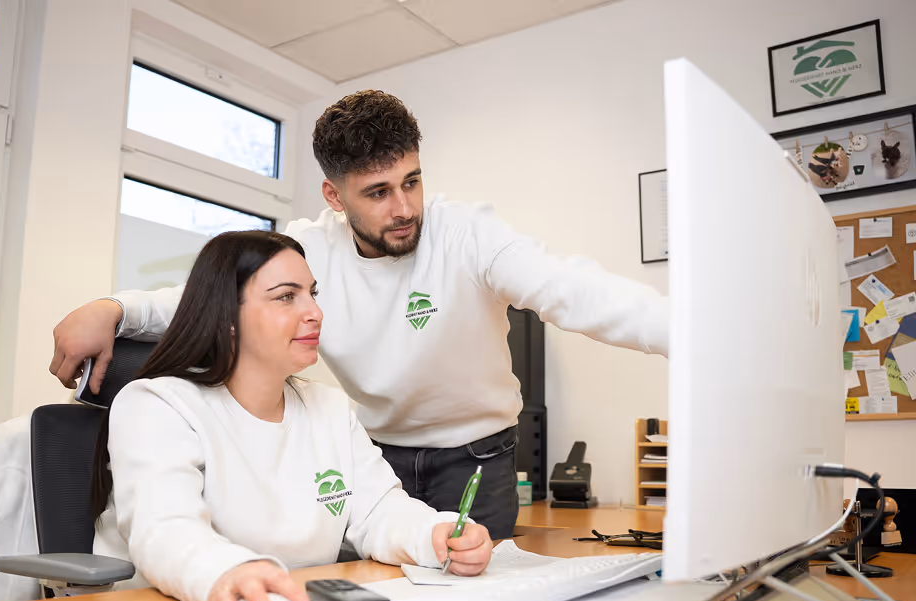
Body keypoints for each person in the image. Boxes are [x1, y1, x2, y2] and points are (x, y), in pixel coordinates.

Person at [52, 90, 668, 540]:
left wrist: (693, 333)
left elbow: (573, 289)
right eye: (378, 192)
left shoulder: (468, 234)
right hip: (374, 457)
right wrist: (113, 308)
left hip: (476, 458)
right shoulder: (309, 249)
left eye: (412, 181)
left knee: (475, 591)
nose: (404, 208)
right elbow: (206, 299)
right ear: (334, 196)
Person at [91, 230, 492, 601]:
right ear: (226, 317)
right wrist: (229, 572)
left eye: (312, 294)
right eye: (286, 297)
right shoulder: (158, 405)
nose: (315, 312)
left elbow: (378, 511)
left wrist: (436, 535)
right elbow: (165, 530)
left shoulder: (329, 407)